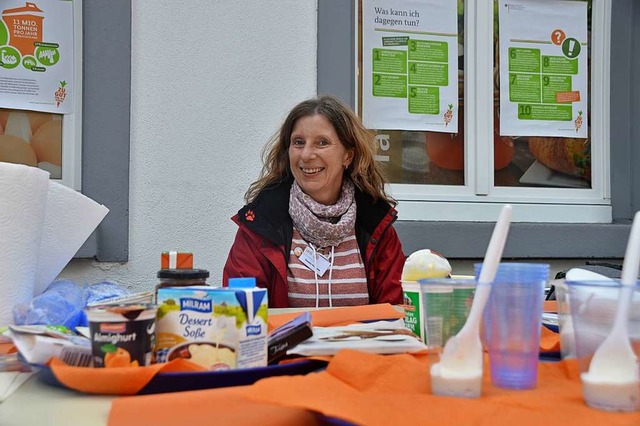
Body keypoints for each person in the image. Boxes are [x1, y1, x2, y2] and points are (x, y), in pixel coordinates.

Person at [223, 95, 404, 308]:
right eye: (299, 142)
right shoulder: (261, 225)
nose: (307, 155)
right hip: (284, 343)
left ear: (348, 155)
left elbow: (396, 314)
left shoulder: (375, 226)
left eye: (322, 143)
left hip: (360, 342)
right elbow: (240, 314)